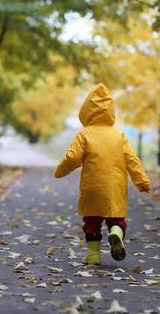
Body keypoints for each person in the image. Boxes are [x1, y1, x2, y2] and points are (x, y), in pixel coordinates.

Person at [54, 83, 150, 265]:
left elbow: (72, 158)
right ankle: (115, 232)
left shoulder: (84, 134)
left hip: (92, 186)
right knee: (117, 218)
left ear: (86, 110)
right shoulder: (119, 135)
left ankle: (93, 255)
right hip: (115, 187)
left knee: (91, 220)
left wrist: (60, 171)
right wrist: (141, 181)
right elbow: (132, 160)